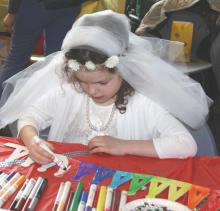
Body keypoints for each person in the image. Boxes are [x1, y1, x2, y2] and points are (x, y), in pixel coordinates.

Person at [0, 10, 212, 164]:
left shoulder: (143, 102)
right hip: (69, 179)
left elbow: (185, 144)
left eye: (102, 82)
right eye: (83, 82)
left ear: (124, 71)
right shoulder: (69, 92)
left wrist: (123, 146)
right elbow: (29, 116)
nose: (92, 91)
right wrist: (33, 140)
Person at [0, 0, 82, 96]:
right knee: (55, 59)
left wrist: (12, 12)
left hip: (34, 6)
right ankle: (49, 99)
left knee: (17, 57)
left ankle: (3, 97)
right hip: (68, 6)